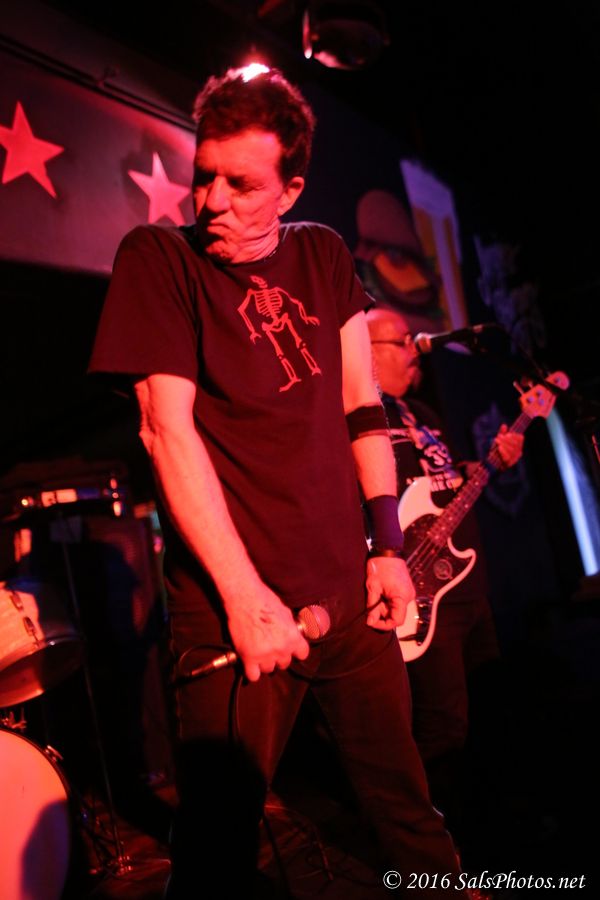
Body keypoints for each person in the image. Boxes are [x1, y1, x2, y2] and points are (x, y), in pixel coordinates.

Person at [89, 66, 462, 898]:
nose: (212, 202)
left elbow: (361, 405)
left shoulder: (323, 252)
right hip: (234, 610)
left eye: (241, 185)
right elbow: (164, 429)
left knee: (408, 811)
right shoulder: (159, 257)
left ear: (291, 188)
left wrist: (388, 549)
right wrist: (246, 597)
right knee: (217, 848)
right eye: (204, 177)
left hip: (348, 590)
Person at [366, 305, 523, 858]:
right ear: (368, 353)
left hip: (466, 587)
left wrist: (491, 462)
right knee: (443, 730)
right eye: (402, 341)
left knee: (490, 713)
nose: (415, 350)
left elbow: (443, 484)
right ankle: (435, 859)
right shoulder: (361, 419)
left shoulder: (423, 412)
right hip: (421, 594)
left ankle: (495, 841)